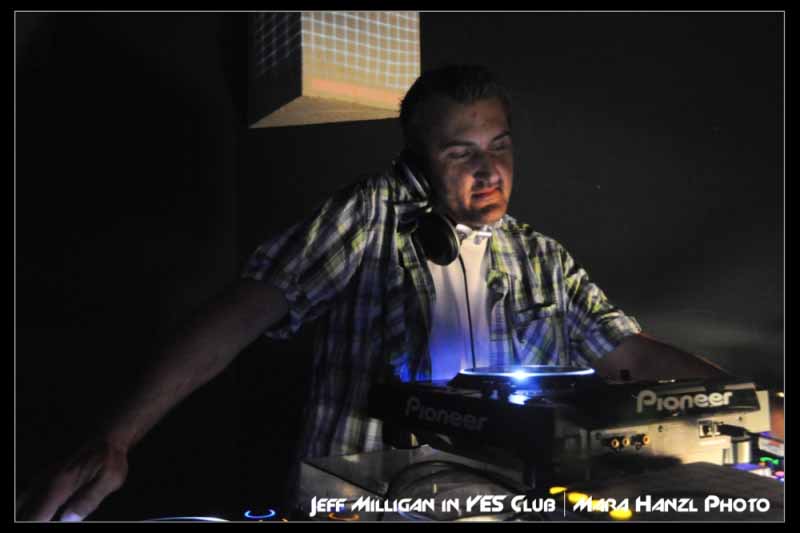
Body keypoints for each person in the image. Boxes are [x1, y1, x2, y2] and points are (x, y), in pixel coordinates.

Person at [17, 64, 734, 522]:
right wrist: (117, 438)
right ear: (418, 161)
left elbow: (630, 354)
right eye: (461, 152)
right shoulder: (368, 216)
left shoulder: (540, 256)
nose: (489, 171)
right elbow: (239, 316)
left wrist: (756, 411)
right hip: (363, 498)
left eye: (500, 146)